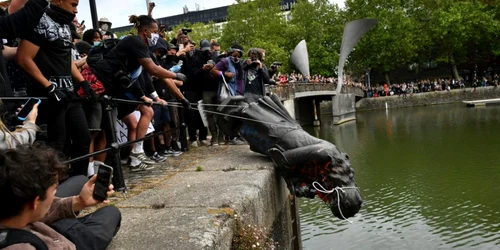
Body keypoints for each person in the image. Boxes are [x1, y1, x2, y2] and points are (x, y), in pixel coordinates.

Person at [89, 14, 189, 171]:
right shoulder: (133, 41)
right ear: (146, 31)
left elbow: (148, 76)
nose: (157, 35)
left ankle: (98, 172)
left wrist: (182, 98)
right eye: (155, 31)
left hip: (113, 90)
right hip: (99, 86)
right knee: (96, 133)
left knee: (105, 133)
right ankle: (92, 173)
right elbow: (153, 70)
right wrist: (175, 75)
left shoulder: (144, 50)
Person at [16, 0, 92, 177]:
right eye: (73, 4)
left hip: (67, 92)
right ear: (58, 1)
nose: (76, 9)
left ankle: (78, 185)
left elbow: (65, 58)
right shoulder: (39, 21)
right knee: (57, 144)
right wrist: (49, 87)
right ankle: (51, 194)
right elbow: (23, 58)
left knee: (83, 138)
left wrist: (83, 82)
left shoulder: (65, 25)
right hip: (48, 95)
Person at [0, 143, 121, 250]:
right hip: (64, 240)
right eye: (54, 189)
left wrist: (79, 201)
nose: (55, 193)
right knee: (111, 213)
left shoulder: (15, 213)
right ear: (35, 202)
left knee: (80, 180)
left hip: (43, 227)